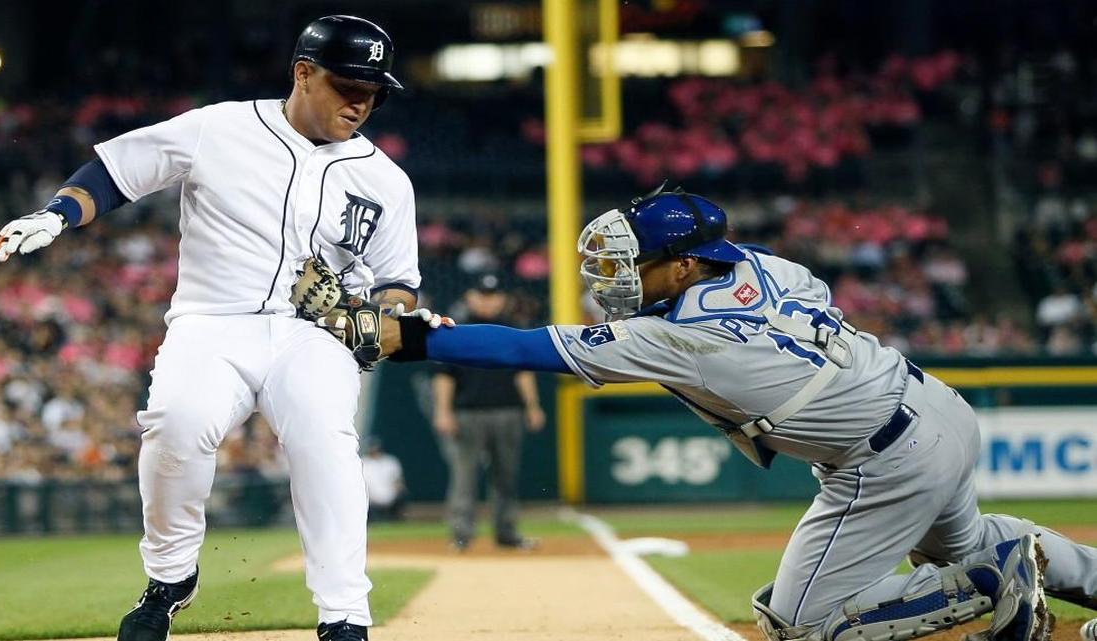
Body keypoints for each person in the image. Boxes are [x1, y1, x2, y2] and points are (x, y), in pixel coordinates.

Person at [384, 186, 1097, 641]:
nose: (615, 277)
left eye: (637, 261)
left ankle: (987, 579)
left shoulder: (676, 337)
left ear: (687, 265)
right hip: (934, 406)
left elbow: (524, 348)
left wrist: (410, 335)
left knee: (801, 622)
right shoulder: (765, 265)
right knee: (963, 541)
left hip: (882, 458)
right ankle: (1035, 570)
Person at [0, 15, 419, 641]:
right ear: (303, 73)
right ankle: (169, 578)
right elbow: (117, 172)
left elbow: (397, 279)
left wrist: (391, 314)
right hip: (212, 321)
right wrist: (57, 215)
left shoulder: (386, 179)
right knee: (176, 426)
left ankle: (344, 614)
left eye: (373, 90)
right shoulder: (221, 127)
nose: (362, 101)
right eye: (348, 84)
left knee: (326, 442)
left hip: (315, 333)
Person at [431, 274, 546, 551]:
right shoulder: (454, 329)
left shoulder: (514, 328)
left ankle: (506, 532)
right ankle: (461, 534)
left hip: (508, 409)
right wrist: (442, 411)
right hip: (468, 412)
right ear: (470, 297)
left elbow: (523, 372)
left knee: (506, 476)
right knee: (464, 476)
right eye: (482, 294)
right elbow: (444, 376)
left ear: (503, 298)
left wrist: (532, 406)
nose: (487, 300)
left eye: (492, 295)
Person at [361, 436, 406, 522]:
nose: (373, 450)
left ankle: (398, 520)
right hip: (371, 498)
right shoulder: (363, 462)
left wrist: (397, 491)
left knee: (403, 494)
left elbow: (398, 482)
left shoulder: (390, 461)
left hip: (390, 496)